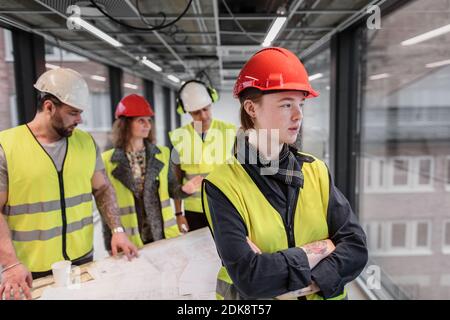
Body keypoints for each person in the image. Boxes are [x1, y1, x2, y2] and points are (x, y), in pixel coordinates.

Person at [202, 47, 368, 300]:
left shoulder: (316, 170)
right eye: (286, 104)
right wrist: (322, 248)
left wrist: (295, 279)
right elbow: (251, 277)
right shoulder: (221, 185)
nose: (298, 115)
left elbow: (356, 248)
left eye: (300, 103)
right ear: (251, 109)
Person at [0, 68, 138, 300]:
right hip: (27, 270)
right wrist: (10, 264)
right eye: (73, 113)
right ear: (49, 107)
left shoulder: (85, 143)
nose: (80, 120)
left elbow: (102, 188)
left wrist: (117, 230)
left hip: (81, 261)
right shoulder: (6, 147)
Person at [101, 94, 203, 249]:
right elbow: (106, 205)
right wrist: (111, 238)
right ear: (125, 124)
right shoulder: (107, 160)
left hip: (159, 233)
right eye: (141, 120)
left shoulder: (161, 153)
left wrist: (184, 190)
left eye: (149, 120)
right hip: (129, 238)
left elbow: (172, 189)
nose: (147, 125)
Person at [169, 80, 236, 231]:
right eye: (196, 112)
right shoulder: (179, 137)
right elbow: (176, 179)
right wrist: (179, 214)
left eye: (206, 109)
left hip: (224, 206)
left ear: (211, 104)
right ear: (187, 112)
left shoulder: (229, 131)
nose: (203, 116)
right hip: (194, 211)